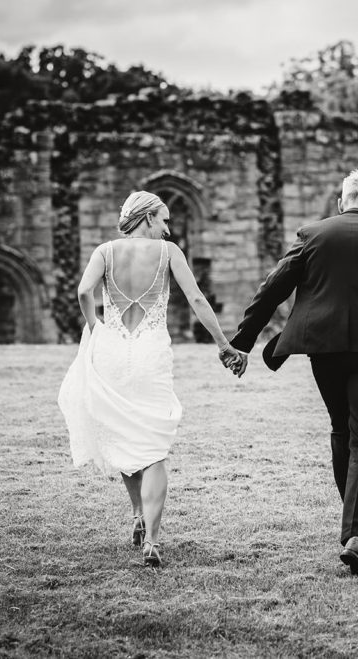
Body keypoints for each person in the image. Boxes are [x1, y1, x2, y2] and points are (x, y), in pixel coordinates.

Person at [226, 170, 358, 575]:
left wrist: (243, 342)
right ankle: (356, 534)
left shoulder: (312, 234)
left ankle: (353, 525)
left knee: (343, 430)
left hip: (325, 351)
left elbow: (273, 288)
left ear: (341, 203)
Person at [58, 191, 244, 568]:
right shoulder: (168, 253)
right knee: (154, 446)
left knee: (124, 432)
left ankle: (138, 515)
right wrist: (224, 344)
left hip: (111, 350)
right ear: (146, 219)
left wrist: (96, 326)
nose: (167, 227)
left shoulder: (105, 252)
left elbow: (82, 291)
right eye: (163, 220)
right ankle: (153, 542)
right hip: (150, 352)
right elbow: (196, 299)